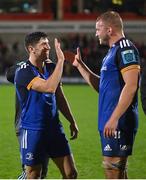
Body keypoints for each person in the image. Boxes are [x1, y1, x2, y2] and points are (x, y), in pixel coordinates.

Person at [72, 11, 140, 179]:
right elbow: (103, 87)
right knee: (115, 172)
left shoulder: (126, 49)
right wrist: (80, 66)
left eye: (98, 29)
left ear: (109, 30)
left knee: (113, 172)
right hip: (109, 121)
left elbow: (131, 86)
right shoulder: (111, 52)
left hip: (119, 122)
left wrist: (114, 117)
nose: (96, 33)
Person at [14, 31, 78, 179]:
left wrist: (71, 120)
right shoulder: (24, 71)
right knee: (34, 175)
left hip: (55, 129)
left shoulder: (50, 68)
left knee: (71, 174)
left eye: (48, 44)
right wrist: (61, 61)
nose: (48, 47)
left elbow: (59, 96)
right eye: (44, 44)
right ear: (31, 49)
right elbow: (48, 87)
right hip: (33, 131)